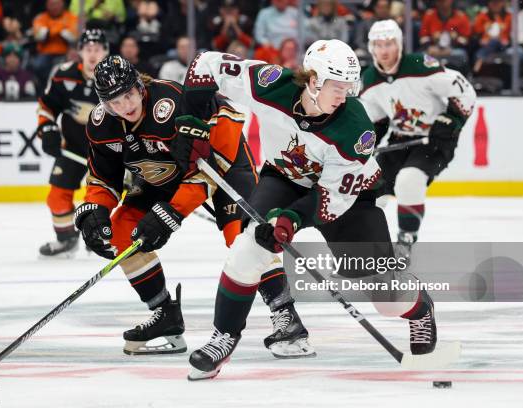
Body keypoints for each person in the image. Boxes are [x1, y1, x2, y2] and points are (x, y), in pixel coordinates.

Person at [174, 39, 440, 380]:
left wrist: (289, 220)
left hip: (351, 198)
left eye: (349, 86)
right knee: (248, 245)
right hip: (283, 178)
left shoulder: (355, 127)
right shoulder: (269, 84)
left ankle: (421, 308)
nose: (344, 95)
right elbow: (205, 64)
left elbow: (330, 200)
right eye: (337, 86)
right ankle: (223, 336)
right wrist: (189, 122)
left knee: (383, 294)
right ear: (313, 80)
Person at [73, 55, 314, 357]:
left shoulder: (171, 103)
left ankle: (286, 315)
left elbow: (215, 151)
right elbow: (102, 178)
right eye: (114, 102)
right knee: (122, 231)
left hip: (221, 165)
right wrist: (94, 210)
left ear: (139, 85)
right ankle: (166, 317)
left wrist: (172, 213)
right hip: (159, 176)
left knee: (246, 236)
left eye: (129, 95)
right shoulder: (102, 125)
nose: (124, 106)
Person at [359, 20, 476, 260]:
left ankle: (405, 242)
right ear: (371, 48)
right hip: (400, 140)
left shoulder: (420, 65)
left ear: (399, 45)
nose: (384, 50)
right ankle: (363, 249)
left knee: (408, 181)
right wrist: (367, 145)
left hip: (435, 142)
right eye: (378, 45)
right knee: (368, 187)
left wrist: (451, 121)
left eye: (389, 43)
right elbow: (377, 121)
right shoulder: (370, 79)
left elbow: (464, 91)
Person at [36, 29, 109, 257]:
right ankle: (67, 239)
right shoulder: (63, 75)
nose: (92, 54)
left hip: (108, 152)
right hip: (72, 149)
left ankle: (102, 235)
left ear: (106, 52)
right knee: (57, 196)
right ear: (79, 52)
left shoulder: (117, 77)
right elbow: (46, 106)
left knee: (102, 197)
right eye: (88, 49)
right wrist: (47, 129)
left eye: (97, 49)